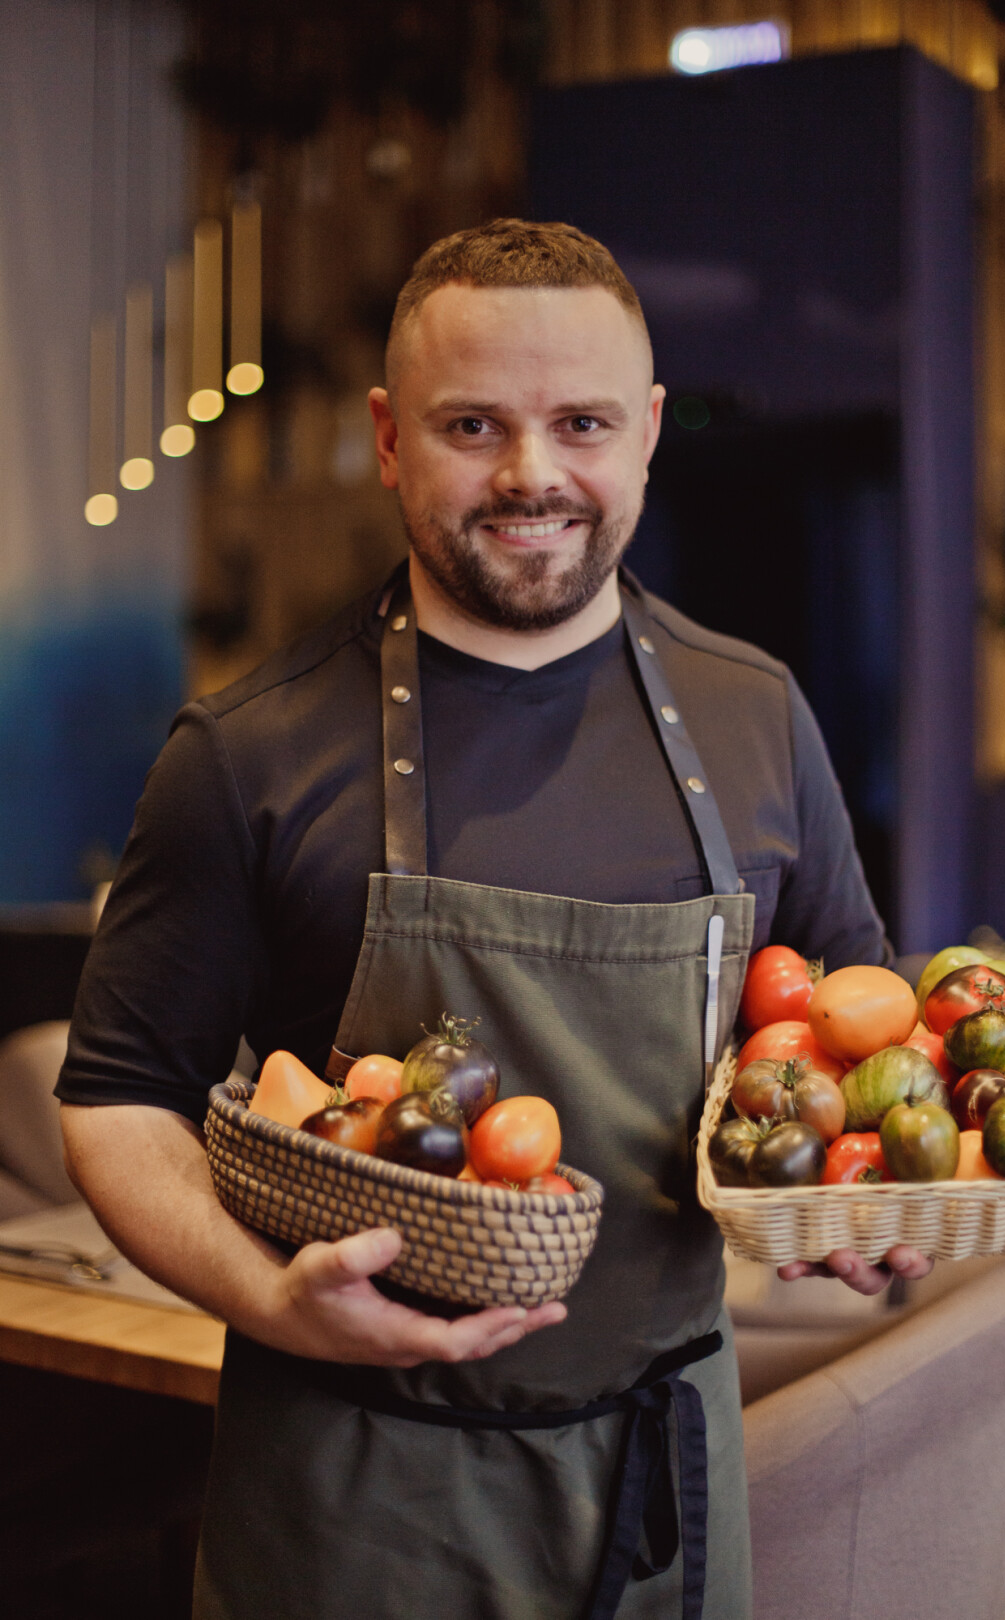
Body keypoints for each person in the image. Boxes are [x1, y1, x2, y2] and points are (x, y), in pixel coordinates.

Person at [57, 219, 930, 1620]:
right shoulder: (248, 753)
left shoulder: (756, 713)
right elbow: (113, 1103)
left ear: (645, 434)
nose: (534, 475)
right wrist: (267, 1301)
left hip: (667, 1503)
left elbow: (848, 1036)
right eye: (476, 425)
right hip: (354, 1499)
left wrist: (862, 1203)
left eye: (581, 422)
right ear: (393, 438)